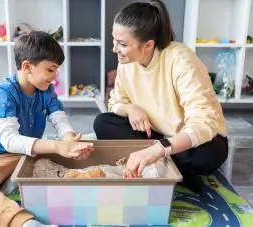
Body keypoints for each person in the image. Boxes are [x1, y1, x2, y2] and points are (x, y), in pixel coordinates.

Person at [0, 31, 94, 227]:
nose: (55, 76)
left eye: (56, 70)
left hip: (29, 153)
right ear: (27, 66)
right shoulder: (3, 93)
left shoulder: (46, 90)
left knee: (64, 152)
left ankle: (11, 182)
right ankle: (25, 223)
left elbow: (59, 118)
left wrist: (69, 138)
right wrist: (57, 147)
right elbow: (10, 141)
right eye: (50, 70)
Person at [93, 0, 228, 193]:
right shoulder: (127, 61)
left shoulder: (181, 60)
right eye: (114, 40)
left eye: (122, 44)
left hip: (191, 141)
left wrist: (159, 149)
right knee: (103, 123)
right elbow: (115, 102)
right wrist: (131, 109)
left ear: (148, 45)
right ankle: (172, 170)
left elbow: (204, 123)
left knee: (206, 156)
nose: (114, 48)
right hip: (155, 135)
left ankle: (162, 164)